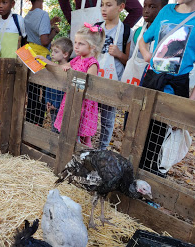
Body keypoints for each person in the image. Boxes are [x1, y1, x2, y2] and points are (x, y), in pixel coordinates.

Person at [137, 0, 195, 177]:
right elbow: (143, 40)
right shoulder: (166, 11)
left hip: (175, 87)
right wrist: (146, 55)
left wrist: (189, 107)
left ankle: (150, 184)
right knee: (138, 132)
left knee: (160, 142)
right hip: (151, 80)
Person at [54, 24, 104, 147]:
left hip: (84, 103)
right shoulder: (77, 59)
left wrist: (73, 78)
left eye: (81, 44)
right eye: (75, 42)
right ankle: (69, 153)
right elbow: (64, 68)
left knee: (83, 137)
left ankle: (84, 156)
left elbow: (90, 85)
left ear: (92, 47)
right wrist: (64, 68)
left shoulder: (92, 64)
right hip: (72, 98)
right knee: (70, 130)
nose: (76, 46)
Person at [95, 0, 131, 150]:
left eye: (109, 5)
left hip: (113, 81)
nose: (104, 9)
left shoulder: (127, 31)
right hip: (95, 77)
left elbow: (128, 60)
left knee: (107, 118)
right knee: (88, 112)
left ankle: (102, 149)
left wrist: (119, 54)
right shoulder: (96, 28)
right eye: (102, 4)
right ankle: (84, 143)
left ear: (120, 7)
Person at [24, 0, 60, 127]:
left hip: (30, 56)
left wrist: (50, 23)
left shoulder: (28, 15)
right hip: (41, 57)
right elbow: (44, 40)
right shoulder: (43, 14)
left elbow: (35, 31)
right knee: (43, 93)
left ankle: (29, 122)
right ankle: (38, 123)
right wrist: (54, 32)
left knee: (32, 92)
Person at [35, 37, 73, 132]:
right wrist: (47, 100)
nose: (52, 54)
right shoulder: (52, 68)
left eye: (56, 52)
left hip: (61, 107)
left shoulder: (67, 70)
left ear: (65, 54)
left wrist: (56, 104)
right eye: (52, 51)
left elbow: (63, 91)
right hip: (52, 105)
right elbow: (49, 85)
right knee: (53, 126)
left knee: (61, 129)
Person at [58, 0, 143, 30]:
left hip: (83, 32)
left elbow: (137, 10)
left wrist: (120, 30)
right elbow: (137, 10)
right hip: (83, 34)